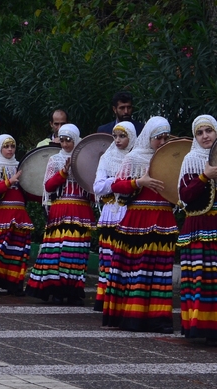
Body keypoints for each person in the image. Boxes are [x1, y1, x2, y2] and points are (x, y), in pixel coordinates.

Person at [103, 117, 177, 332]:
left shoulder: (173, 159)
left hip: (163, 219)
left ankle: (158, 319)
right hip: (138, 219)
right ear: (148, 137)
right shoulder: (134, 158)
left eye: (165, 137)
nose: (162, 141)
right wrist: (139, 182)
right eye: (158, 138)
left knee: (160, 273)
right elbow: (116, 185)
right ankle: (132, 317)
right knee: (137, 269)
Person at [27, 125, 93, 303]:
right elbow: (48, 186)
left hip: (81, 210)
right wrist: (63, 172)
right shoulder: (55, 160)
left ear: (76, 139)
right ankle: (56, 289)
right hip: (60, 210)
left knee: (77, 252)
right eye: (62, 139)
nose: (64, 143)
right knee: (57, 251)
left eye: (68, 140)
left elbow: (93, 190)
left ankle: (73, 291)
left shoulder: (87, 160)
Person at [0, 134, 34, 295]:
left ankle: (14, 283)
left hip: (18, 214)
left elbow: (29, 188)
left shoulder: (21, 165)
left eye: (12, 146)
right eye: (6, 146)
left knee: (16, 250)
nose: (10, 149)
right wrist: (9, 181)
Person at [179, 115, 217, 342]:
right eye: (200, 133)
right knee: (201, 278)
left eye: (209, 131)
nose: (205, 136)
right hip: (200, 227)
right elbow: (185, 195)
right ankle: (200, 327)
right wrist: (204, 176)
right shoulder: (191, 160)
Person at [92, 121, 136, 311]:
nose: (117, 140)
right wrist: (117, 181)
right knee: (108, 257)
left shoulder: (136, 158)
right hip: (110, 212)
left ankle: (123, 299)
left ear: (132, 137)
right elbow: (97, 187)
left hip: (129, 211)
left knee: (126, 257)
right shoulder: (107, 157)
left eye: (122, 136)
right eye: (115, 136)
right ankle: (105, 298)